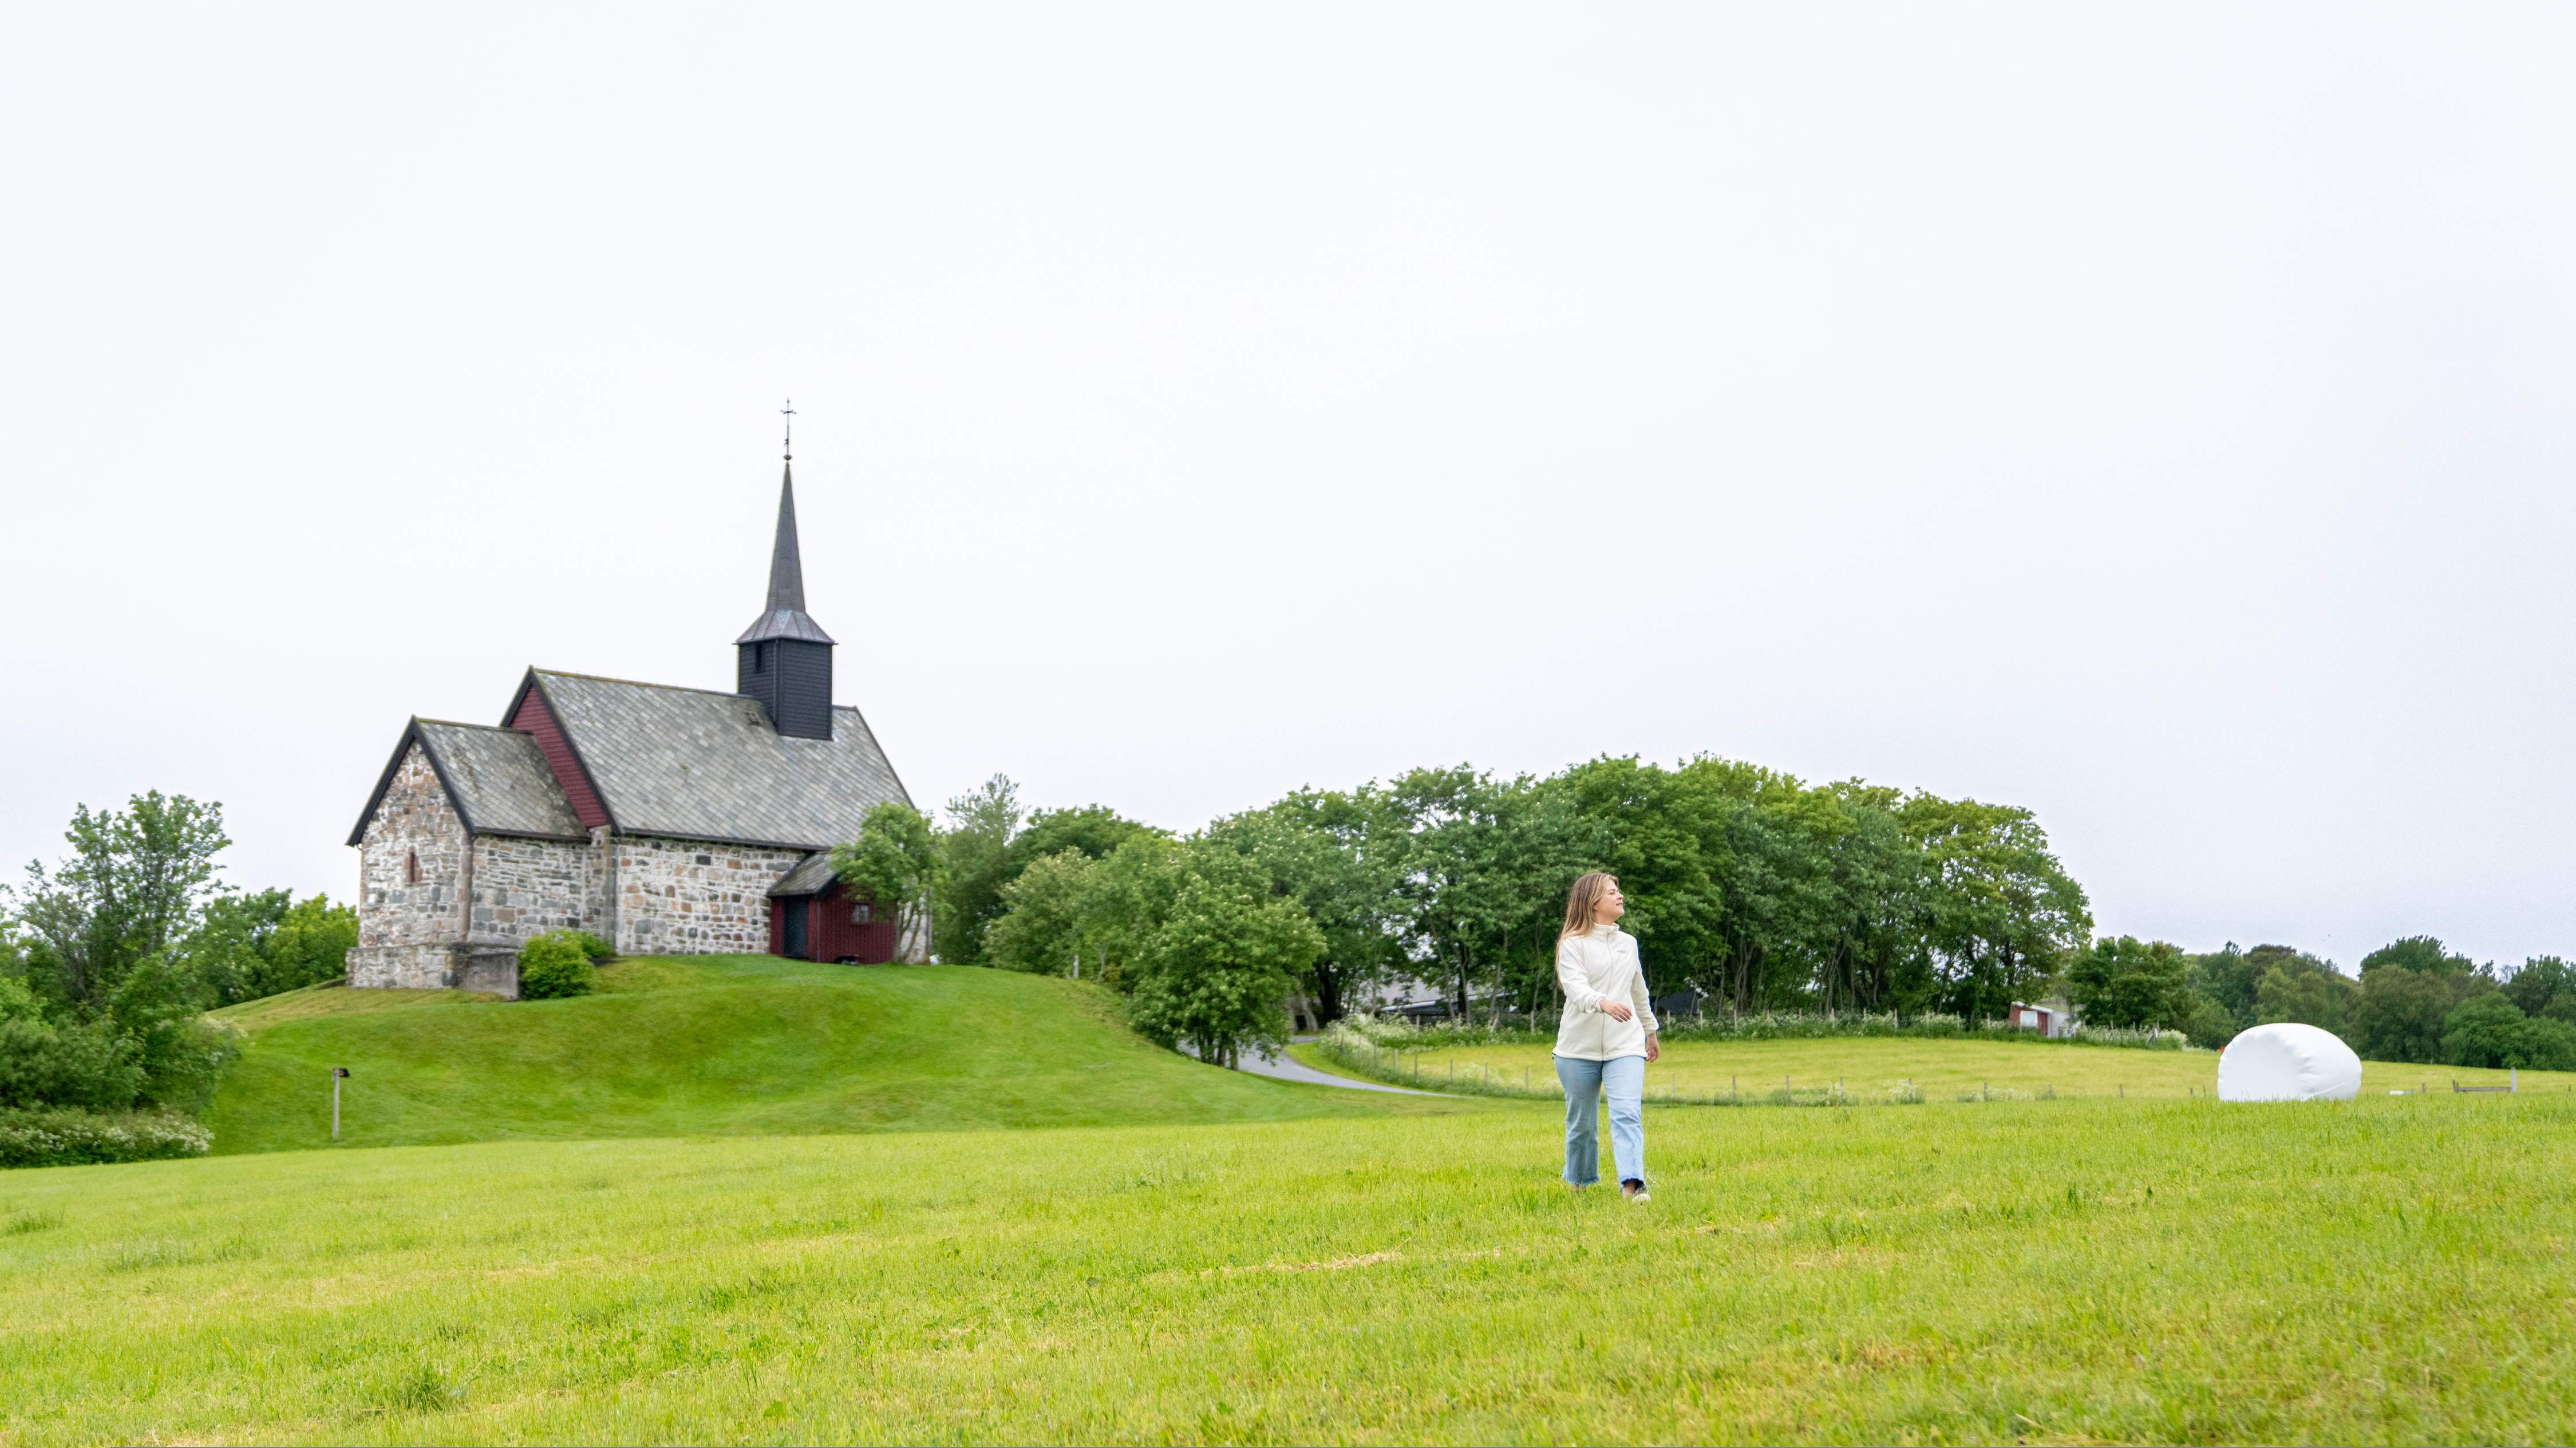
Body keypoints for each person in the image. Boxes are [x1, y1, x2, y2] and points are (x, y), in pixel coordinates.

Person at [1552, 871, 1659, 1201]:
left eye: (1619, 891)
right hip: (1576, 1050)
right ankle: (1581, 1183)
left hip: (1624, 1045)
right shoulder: (1573, 945)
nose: (1620, 896)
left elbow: (1639, 991)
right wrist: (1604, 1003)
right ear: (1593, 902)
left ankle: (1632, 1185)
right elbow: (1575, 988)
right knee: (1582, 1125)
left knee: (1627, 1112)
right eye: (1613, 892)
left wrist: (1650, 1030)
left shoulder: (1629, 944)